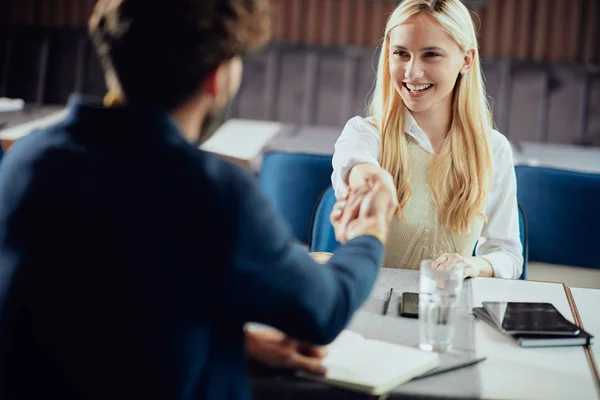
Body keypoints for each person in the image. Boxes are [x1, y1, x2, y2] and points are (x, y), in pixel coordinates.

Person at [0, 1, 396, 399]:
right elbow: (323, 311)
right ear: (218, 77)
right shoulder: (212, 192)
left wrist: (240, 344)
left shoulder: (26, 160)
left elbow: (96, 310)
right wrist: (369, 232)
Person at [331, 0, 523, 279]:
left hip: (447, 308)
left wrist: (471, 265)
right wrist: (372, 183)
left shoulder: (493, 149)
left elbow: (508, 255)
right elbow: (358, 169)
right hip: (370, 307)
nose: (412, 72)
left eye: (431, 55)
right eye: (401, 54)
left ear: (466, 60)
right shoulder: (363, 134)